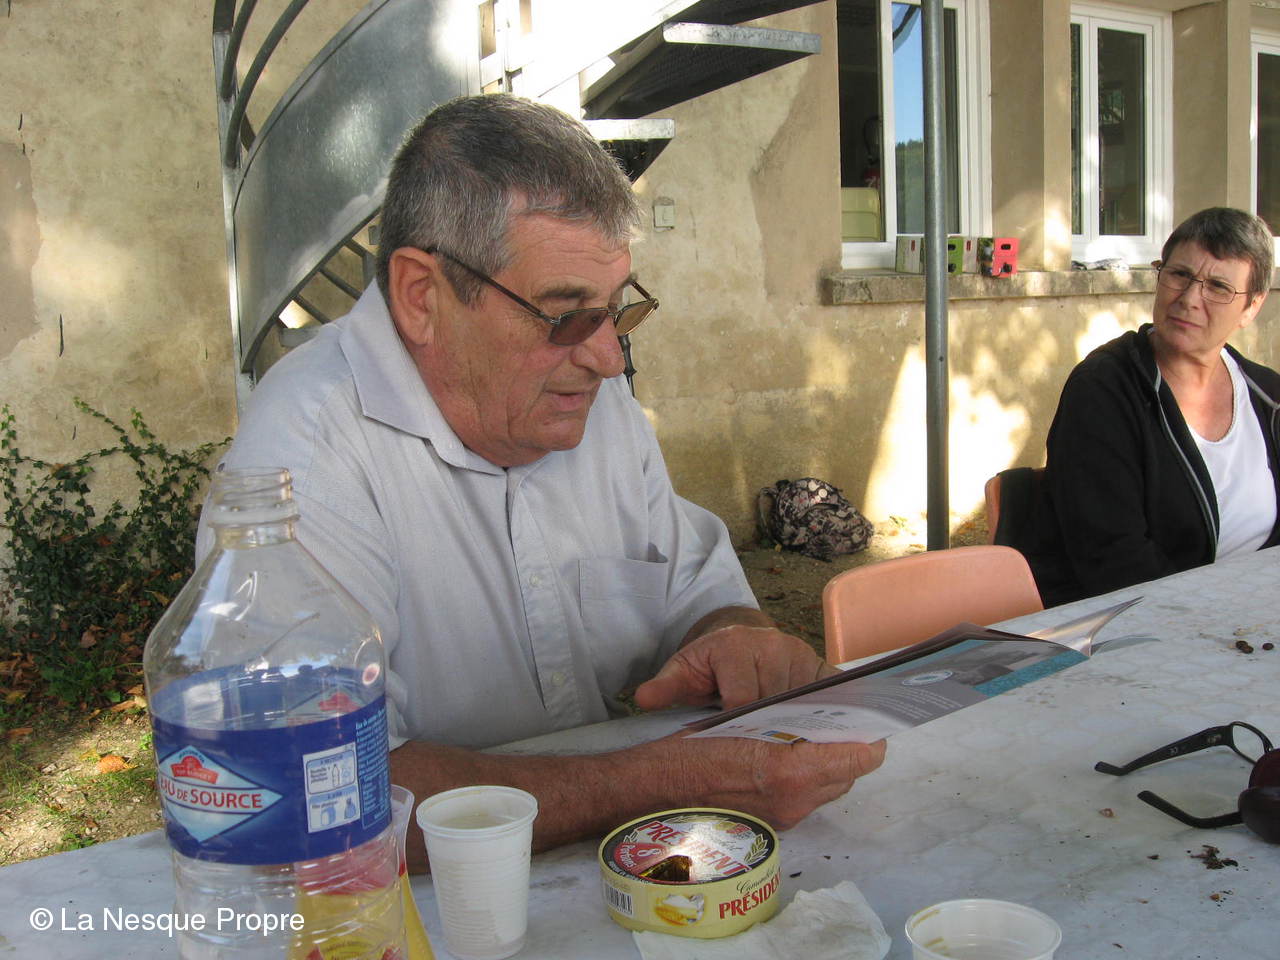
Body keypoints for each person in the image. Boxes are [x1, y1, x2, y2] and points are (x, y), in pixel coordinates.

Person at [202, 93, 884, 867]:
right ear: (422, 296)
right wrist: (658, 782)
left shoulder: (590, 402)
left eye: (614, 309)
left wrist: (733, 637)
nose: (607, 358)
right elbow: (308, 789)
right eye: (564, 315)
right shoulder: (301, 456)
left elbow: (695, 592)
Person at [1018, 207, 1280, 606]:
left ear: (1251, 307)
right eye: (1180, 275)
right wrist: (1217, 615)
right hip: (1143, 620)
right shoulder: (1104, 390)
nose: (1190, 299)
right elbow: (1114, 559)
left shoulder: (1268, 396)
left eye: (1218, 287)